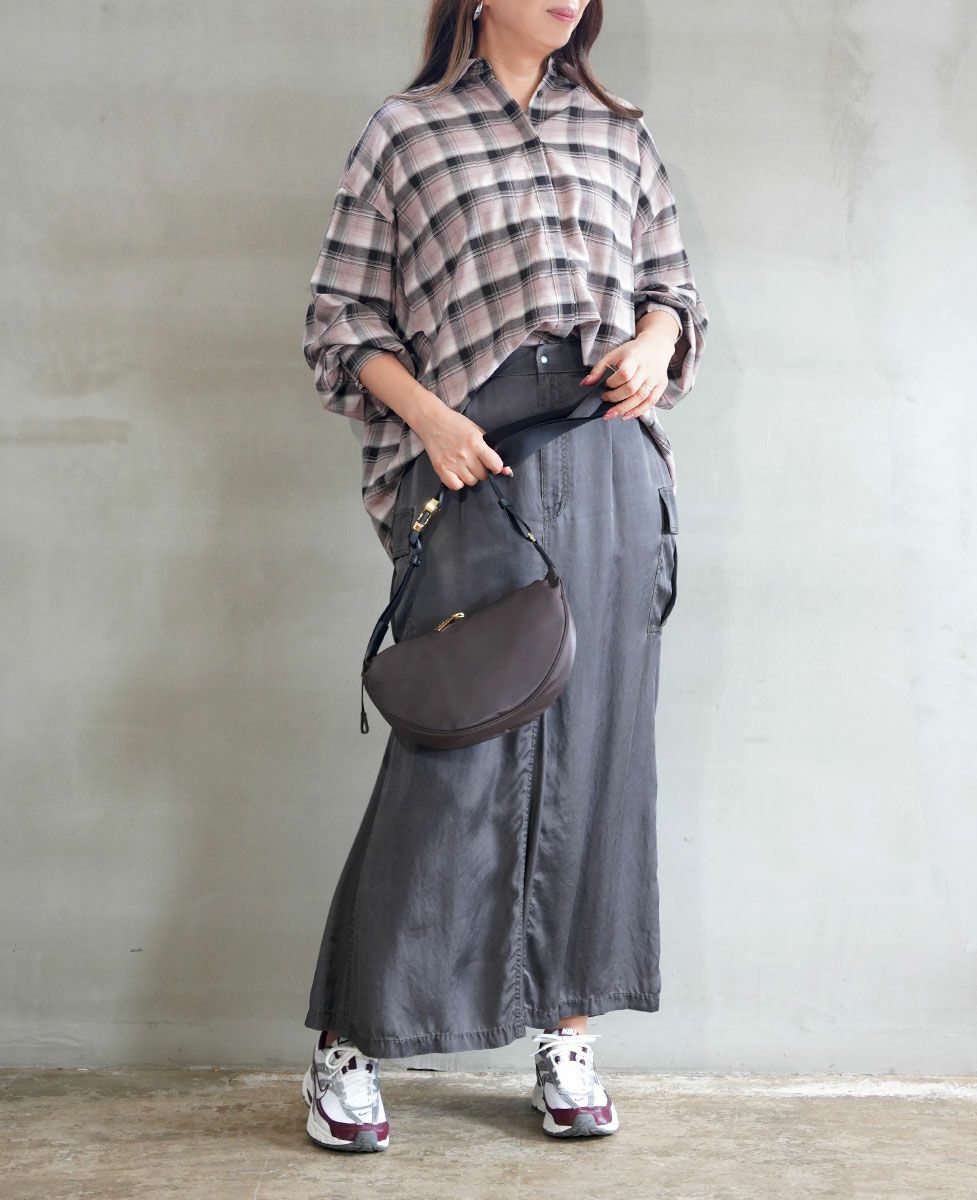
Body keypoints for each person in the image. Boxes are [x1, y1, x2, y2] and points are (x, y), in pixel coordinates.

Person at [299, 0, 709, 1153]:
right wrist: (430, 420)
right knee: (454, 759)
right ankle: (347, 1046)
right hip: (474, 466)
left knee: (600, 762)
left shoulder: (618, 133)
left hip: (612, 467)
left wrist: (653, 342)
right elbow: (340, 320)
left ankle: (567, 1038)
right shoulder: (408, 132)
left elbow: (673, 289)